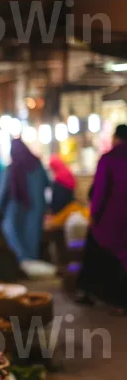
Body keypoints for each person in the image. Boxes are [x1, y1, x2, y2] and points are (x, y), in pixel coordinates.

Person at [77, 124, 127, 311]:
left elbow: (99, 192)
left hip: (111, 218)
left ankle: (99, 295)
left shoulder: (109, 159)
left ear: (116, 138)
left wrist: (94, 215)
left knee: (98, 250)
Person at [0, 138, 48, 261]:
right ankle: (32, 264)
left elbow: (2, 191)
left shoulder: (11, 169)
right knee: (31, 238)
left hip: (15, 209)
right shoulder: (37, 165)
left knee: (14, 237)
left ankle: (21, 265)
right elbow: (47, 183)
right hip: (36, 209)